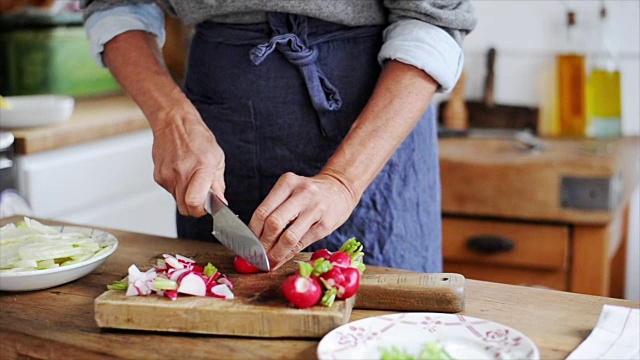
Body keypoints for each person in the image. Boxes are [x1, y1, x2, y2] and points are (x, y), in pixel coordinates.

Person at [82, 0, 476, 272]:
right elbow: (112, 5)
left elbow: (435, 16)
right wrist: (171, 118)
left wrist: (343, 181)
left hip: (377, 118)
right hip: (219, 109)